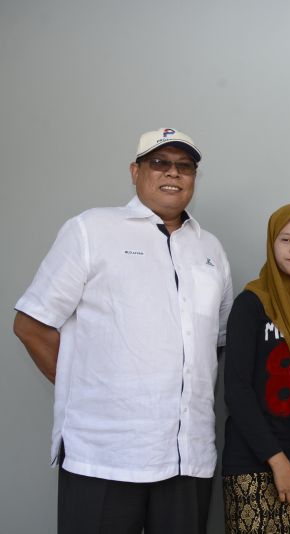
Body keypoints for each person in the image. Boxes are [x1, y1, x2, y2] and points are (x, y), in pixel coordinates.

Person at [13, 127, 233, 533]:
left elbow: (213, 344)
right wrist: (85, 388)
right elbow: (30, 325)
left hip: (188, 458)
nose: (173, 172)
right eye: (159, 162)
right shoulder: (91, 230)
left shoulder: (210, 250)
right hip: (104, 455)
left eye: (185, 166)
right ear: (135, 172)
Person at [222, 204, 290, 533]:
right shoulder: (251, 303)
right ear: (271, 244)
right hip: (255, 462)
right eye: (285, 240)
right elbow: (237, 390)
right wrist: (278, 461)